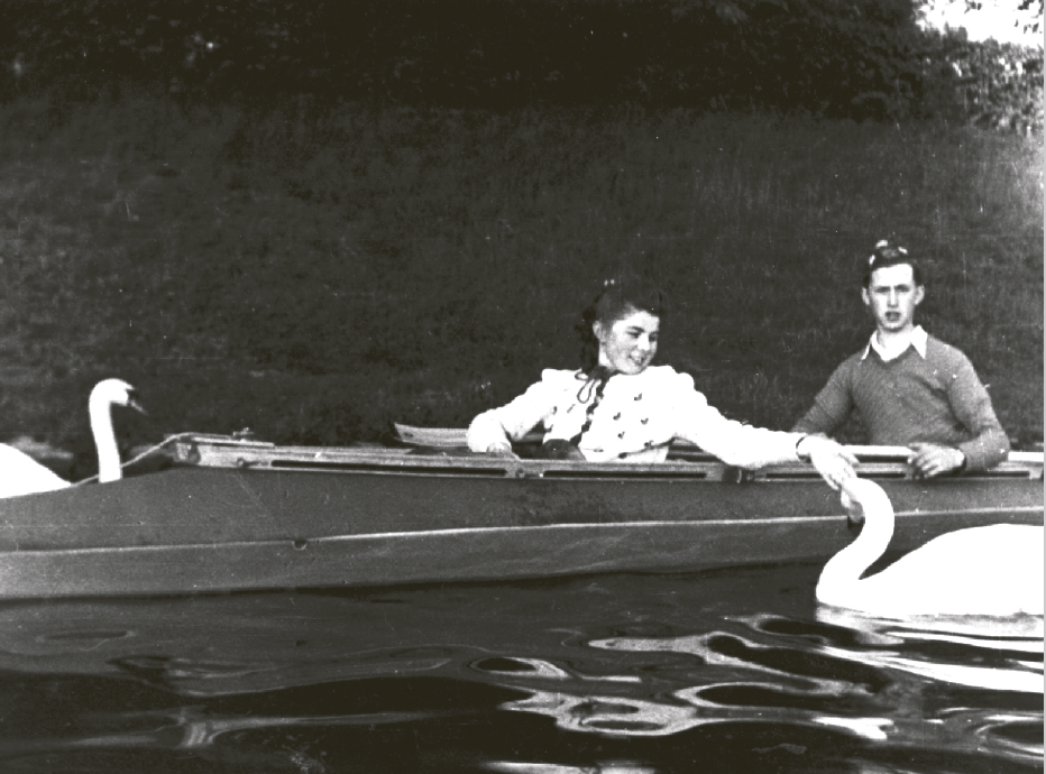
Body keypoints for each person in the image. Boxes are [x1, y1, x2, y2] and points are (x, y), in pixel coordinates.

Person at [468, 277, 857, 489]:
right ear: (601, 331)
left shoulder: (666, 391)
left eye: (653, 337)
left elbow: (736, 443)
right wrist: (499, 453)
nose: (644, 348)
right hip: (539, 497)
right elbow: (488, 422)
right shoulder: (561, 385)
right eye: (633, 334)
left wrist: (807, 446)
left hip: (611, 510)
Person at [792, 239, 1010, 478]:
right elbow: (802, 433)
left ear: (918, 294)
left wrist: (956, 456)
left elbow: (997, 440)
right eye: (882, 291)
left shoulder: (949, 361)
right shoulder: (852, 371)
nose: (893, 302)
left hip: (949, 497)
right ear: (866, 296)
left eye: (902, 289)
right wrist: (817, 445)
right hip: (887, 494)